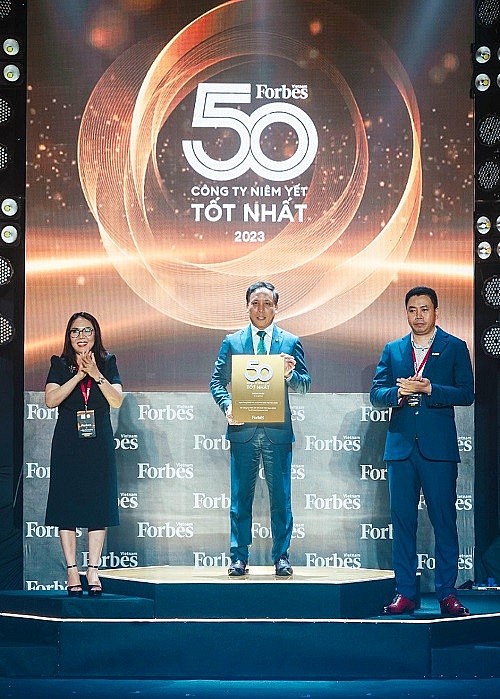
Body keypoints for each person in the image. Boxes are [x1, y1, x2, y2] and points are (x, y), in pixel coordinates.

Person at [370, 286, 474, 617]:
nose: (418, 316)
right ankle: (405, 593)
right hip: (401, 448)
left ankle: (447, 593)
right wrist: (397, 395)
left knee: (444, 522)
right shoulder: (393, 349)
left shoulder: (454, 346)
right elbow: (376, 392)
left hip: (438, 450)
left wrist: (430, 388)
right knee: (403, 523)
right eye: (413, 310)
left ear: (435, 312)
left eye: (424, 309)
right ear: (406, 313)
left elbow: (467, 393)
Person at [210, 281, 311, 577]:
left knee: (281, 499)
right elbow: (216, 382)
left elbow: (305, 385)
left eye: (267, 303)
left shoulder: (290, 342)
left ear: (276, 307)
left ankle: (282, 556)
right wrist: (228, 406)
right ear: (247, 306)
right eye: (255, 303)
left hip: (277, 432)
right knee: (241, 499)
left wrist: (290, 375)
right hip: (243, 431)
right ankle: (239, 557)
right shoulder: (233, 342)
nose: (261, 309)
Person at [44, 312, 123, 596]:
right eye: (75, 331)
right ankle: (71, 570)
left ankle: (92, 569)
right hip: (68, 442)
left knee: (98, 506)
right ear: (69, 336)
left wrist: (95, 374)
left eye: (87, 330)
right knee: (66, 506)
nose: (81, 336)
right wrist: (78, 375)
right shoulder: (59, 364)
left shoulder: (107, 362)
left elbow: (116, 400)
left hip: (98, 442)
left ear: (95, 334)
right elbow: (51, 400)